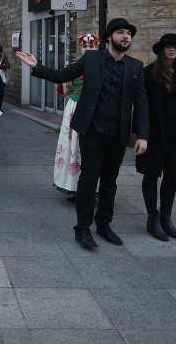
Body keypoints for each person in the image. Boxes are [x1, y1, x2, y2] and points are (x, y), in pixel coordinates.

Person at [17, 18, 149, 250]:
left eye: (129, 33)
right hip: (92, 131)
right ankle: (83, 228)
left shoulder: (135, 66)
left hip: (117, 134)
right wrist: (36, 67)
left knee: (110, 182)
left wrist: (142, 135)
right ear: (109, 37)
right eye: (121, 32)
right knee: (89, 180)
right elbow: (61, 77)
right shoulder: (92, 58)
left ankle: (104, 225)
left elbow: (141, 102)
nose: (126, 36)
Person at [138, 33, 176, 241]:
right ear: (161, 49)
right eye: (169, 46)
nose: (172, 50)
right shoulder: (149, 73)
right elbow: (141, 105)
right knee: (152, 174)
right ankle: (152, 218)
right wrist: (141, 134)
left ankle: (166, 217)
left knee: (171, 176)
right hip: (154, 133)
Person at [51, 33, 99, 200]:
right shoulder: (74, 65)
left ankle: (92, 189)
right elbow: (65, 90)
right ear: (80, 48)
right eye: (85, 46)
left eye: (92, 46)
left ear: (97, 47)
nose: (88, 49)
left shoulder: (103, 66)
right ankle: (73, 186)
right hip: (74, 108)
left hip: (95, 109)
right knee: (73, 146)